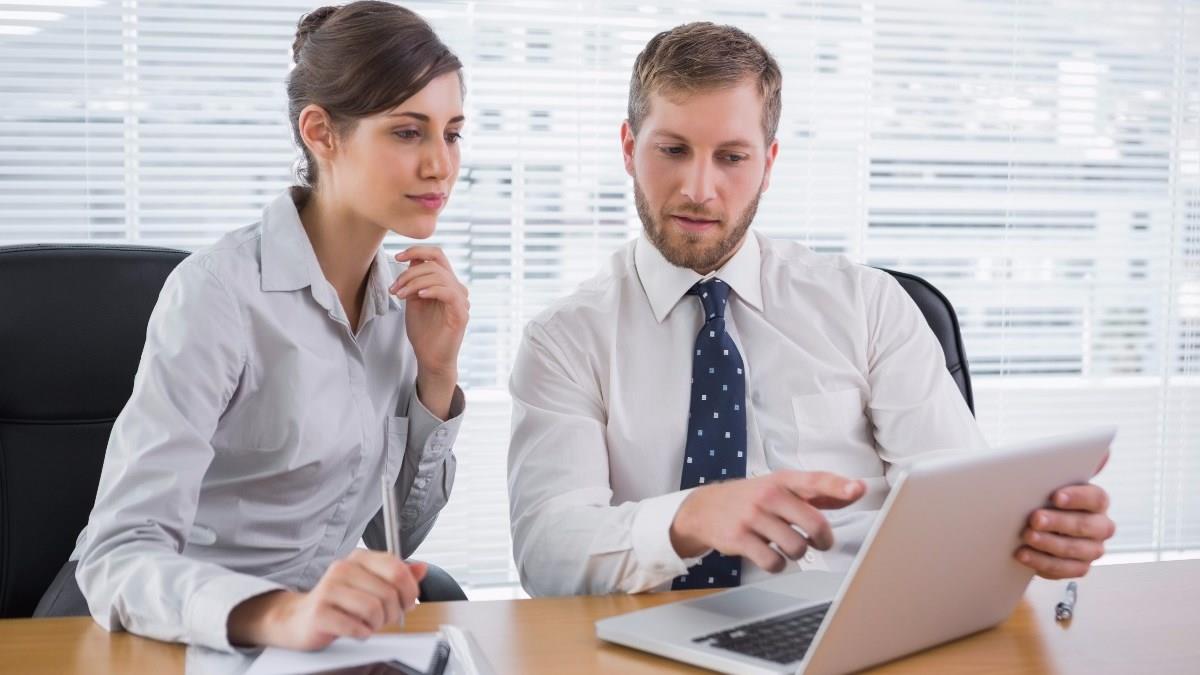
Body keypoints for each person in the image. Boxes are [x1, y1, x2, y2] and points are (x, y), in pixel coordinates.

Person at [507, 22, 1115, 597]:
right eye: (673, 149)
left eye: (732, 157)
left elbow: (956, 505)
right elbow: (547, 553)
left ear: (768, 164)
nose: (698, 189)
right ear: (628, 148)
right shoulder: (565, 339)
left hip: (856, 625)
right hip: (649, 635)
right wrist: (688, 518)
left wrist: (1032, 532)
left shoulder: (868, 304)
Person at [42, 1, 471, 652]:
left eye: (452, 133)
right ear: (321, 133)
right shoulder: (218, 294)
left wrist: (436, 376)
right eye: (408, 133)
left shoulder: (402, 304)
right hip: (155, 632)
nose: (440, 164)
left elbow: (395, 539)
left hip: (303, 641)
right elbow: (117, 556)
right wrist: (280, 614)